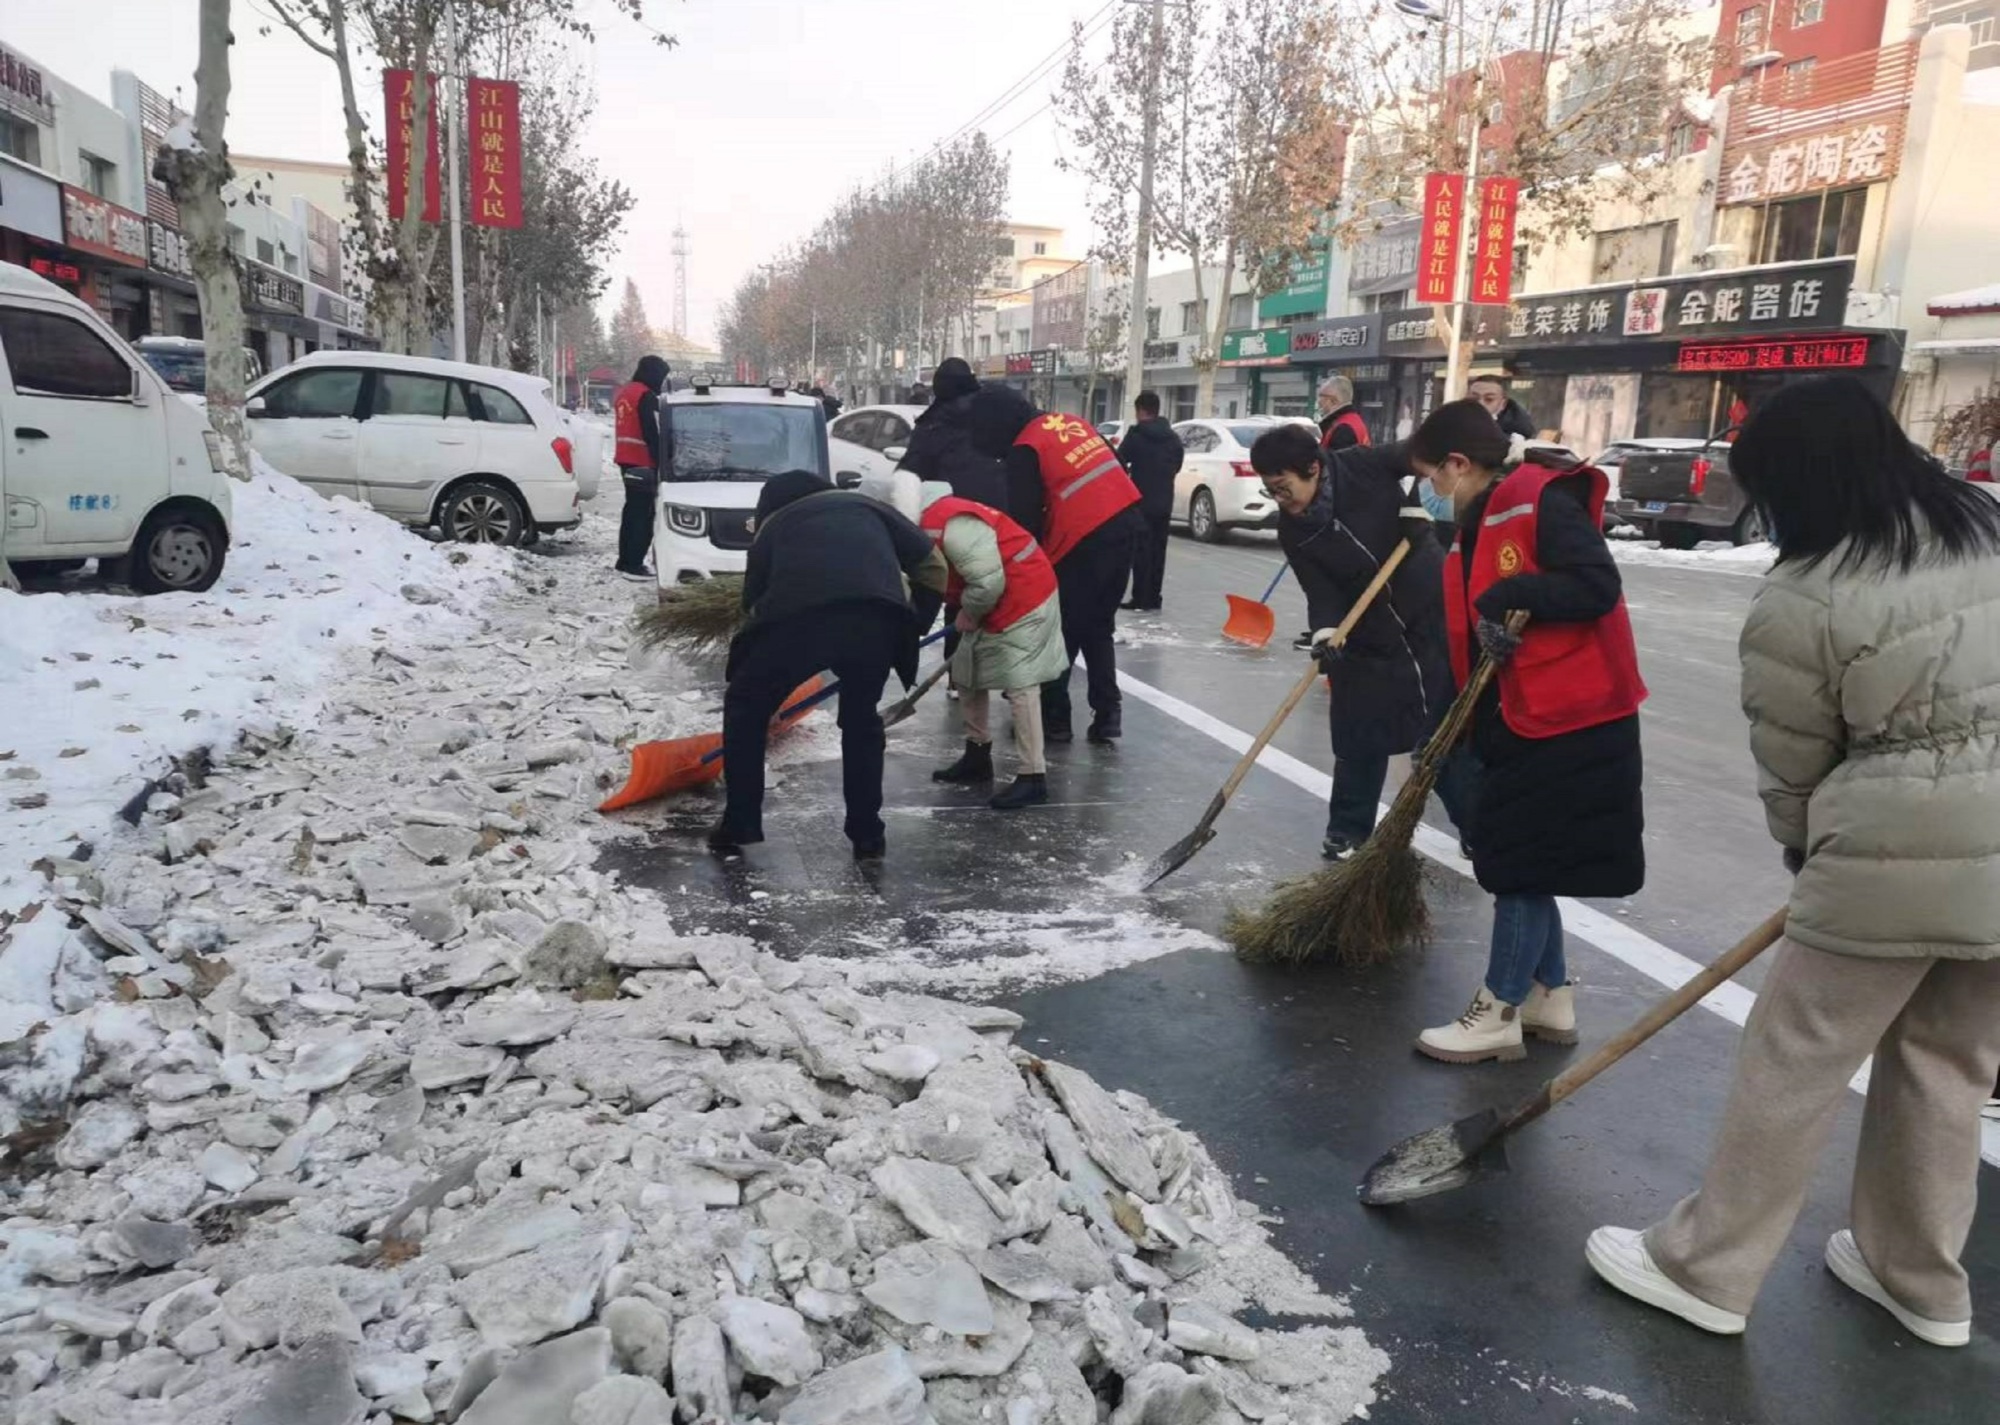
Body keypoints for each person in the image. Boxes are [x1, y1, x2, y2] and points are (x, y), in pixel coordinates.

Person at [1583, 376, 2000, 1348]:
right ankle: (1918, 1280)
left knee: (1793, 1060)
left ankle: (1705, 1268)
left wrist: (1805, 847)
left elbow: (1794, 761)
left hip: (1886, 857)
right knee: (1948, 1066)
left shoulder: (1807, 590)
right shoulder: (1980, 527)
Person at [1406, 399, 1647, 1063]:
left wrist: (1509, 600)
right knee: (1529, 860)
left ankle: (1498, 1008)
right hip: (1529, 715)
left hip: (1573, 717)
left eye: (1431, 476)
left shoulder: (1538, 499)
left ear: (1458, 464)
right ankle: (1548, 994)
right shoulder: (1484, 516)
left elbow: (1595, 584)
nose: (1428, 492)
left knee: (1514, 864)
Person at [710, 471, 945, 861]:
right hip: (875, 622)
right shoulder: (871, 508)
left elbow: (751, 605)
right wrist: (913, 623)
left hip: (795, 624)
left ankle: (741, 822)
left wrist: (760, 665)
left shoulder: (773, 527)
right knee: (860, 724)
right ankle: (868, 835)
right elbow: (933, 566)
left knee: (745, 710)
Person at [1248, 424, 1456, 861]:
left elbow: (1420, 453)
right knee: (1357, 727)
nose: (1281, 500)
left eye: (1283, 487)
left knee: (1443, 734)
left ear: (1313, 468)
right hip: (1365, 628)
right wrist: (1326, 632)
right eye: (1271, 491)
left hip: (1424, 608)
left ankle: (1476, 827)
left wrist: (1424, 504)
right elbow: (1319, 589)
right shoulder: (1293, 528)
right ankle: (1347, 830)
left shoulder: (1360, 466)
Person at [966, 386, 1142, 745]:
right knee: (1098, 626)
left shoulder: (1025, 448)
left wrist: (1016, 576)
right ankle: (1108, 715)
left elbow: (1025, 525)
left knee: (1060, 630)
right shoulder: (1072, 422)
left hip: (1085, 540)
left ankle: (1054, 720)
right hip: (1127, 526)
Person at [921, 482, 1067, 810]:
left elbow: (988, 581)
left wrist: (969, 613)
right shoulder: (922, 524)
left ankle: (1033, 776)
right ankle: (977, 755)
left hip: (1026, 592)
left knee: (1020, 683)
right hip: (988, 591)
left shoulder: (950, 522)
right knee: (966, 669)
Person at [1117, 390, 1184, 612]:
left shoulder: (1136, 436)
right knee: (1158, 551)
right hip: (1165, 502)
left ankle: (1140, 598)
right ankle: (1154, 597)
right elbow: (1177, 465)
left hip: (1140, 502)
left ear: (1139, 411)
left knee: (1141, 552)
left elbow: (1119, 461)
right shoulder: (1173, 438)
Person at [613, 355, 670, 580]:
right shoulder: (646, 396)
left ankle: (625, 559)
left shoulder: (626, 392)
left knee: (632, 512)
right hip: (643, 462)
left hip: (625, 459)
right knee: (643, 515)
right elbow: (652, 433)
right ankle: (634, 564)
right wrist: (663, 461)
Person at [1468, 374, 1536, 441]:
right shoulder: (1459, 415)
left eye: (1489, 399)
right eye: (1474, 398)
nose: (1480, 404)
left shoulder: (1517, 431)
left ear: (1503, 404)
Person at [1316, 374, 1371, 451]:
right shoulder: (1353, 421)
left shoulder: (1343, 428)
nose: (1319, 401)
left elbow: (1336, 461)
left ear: (1333, 400)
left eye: (1321, 396)